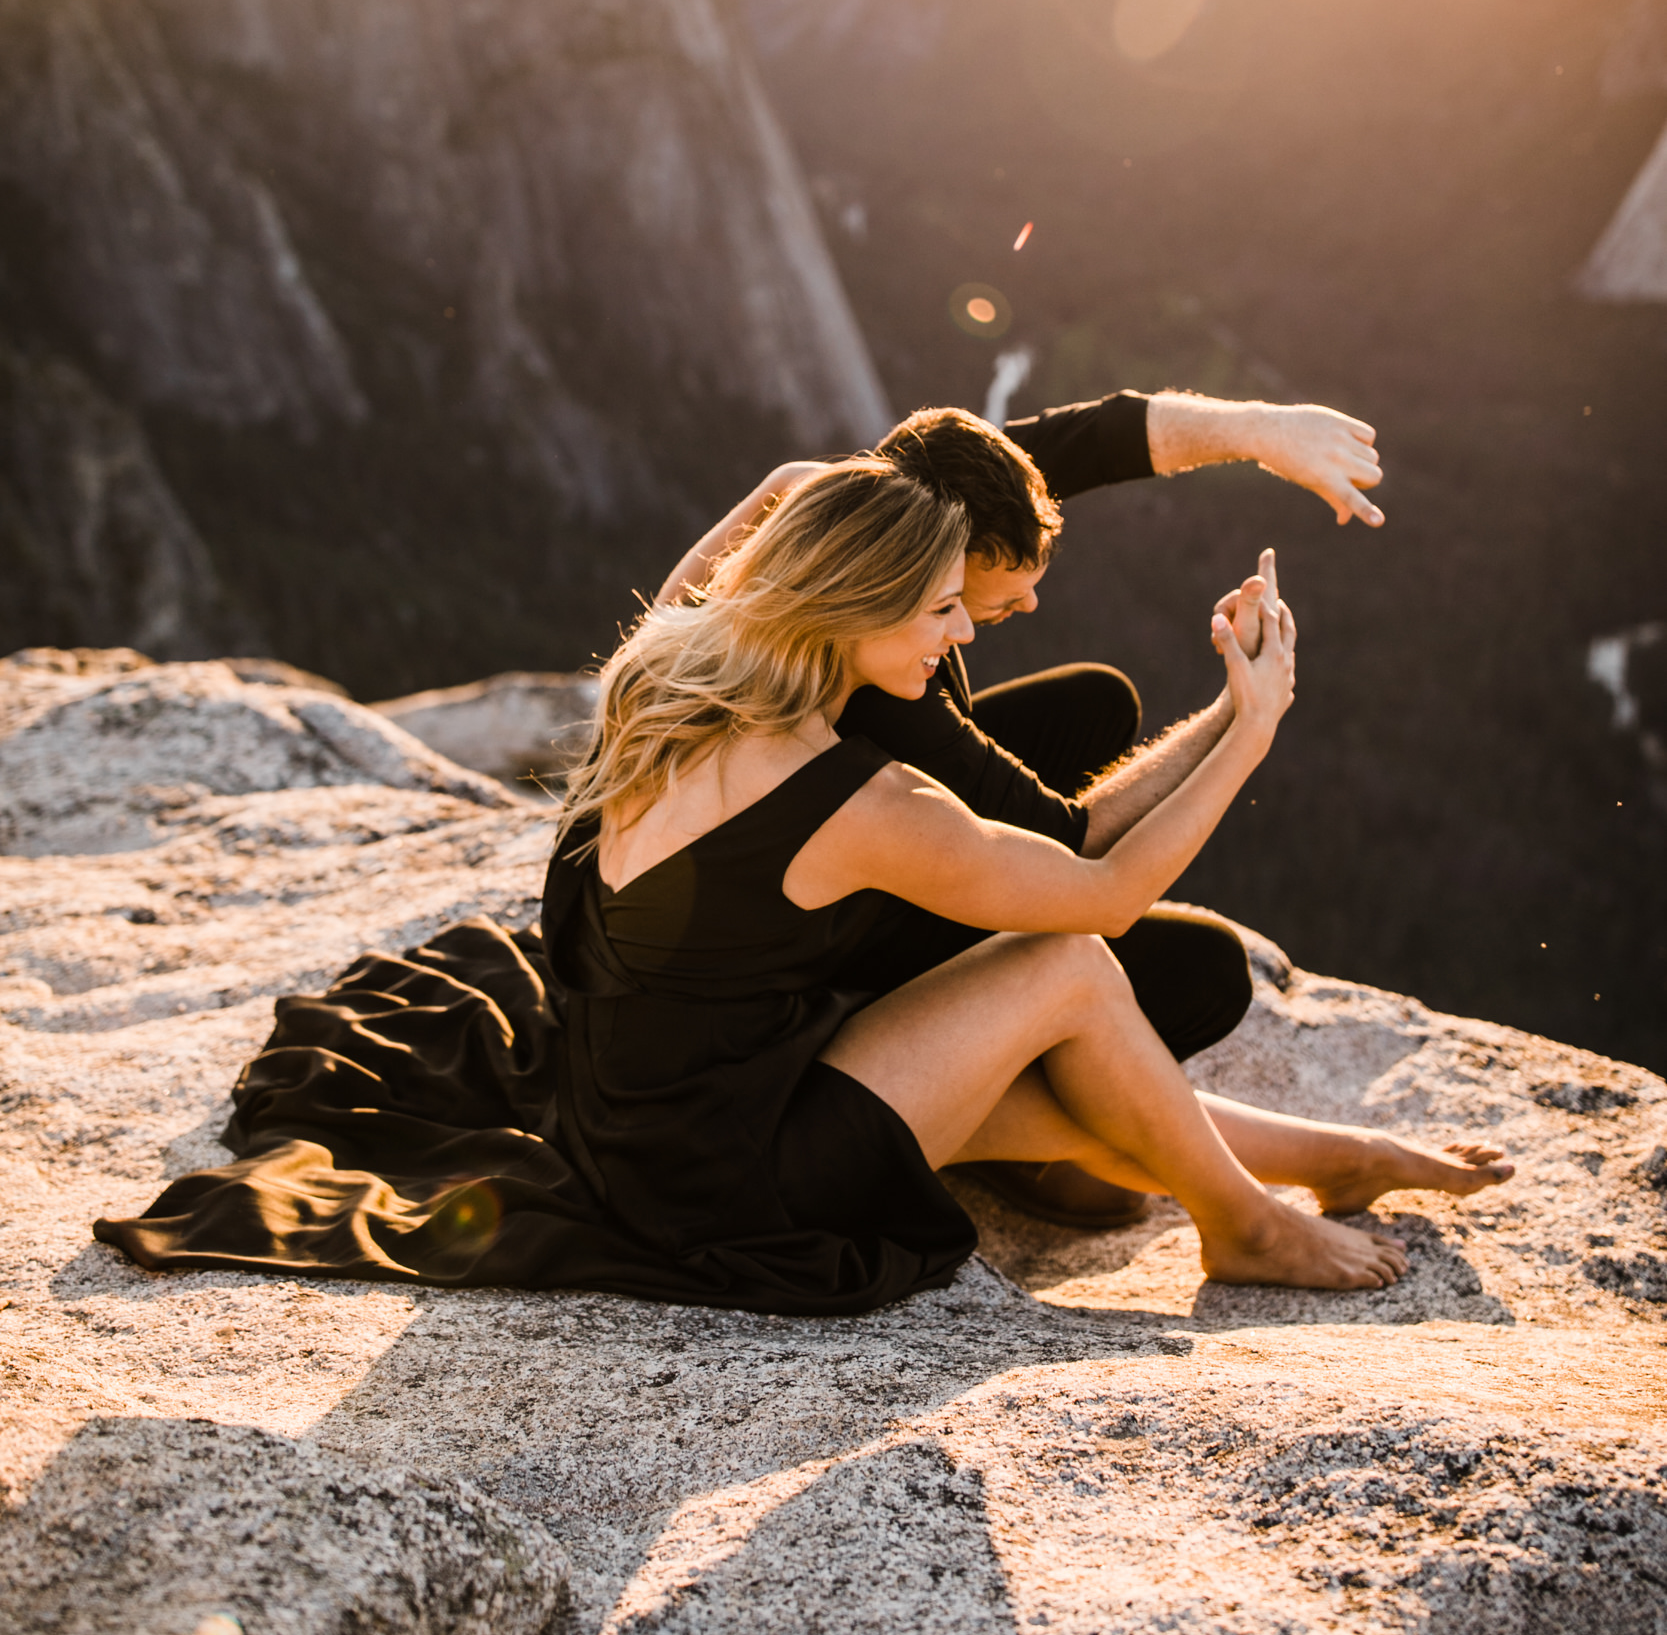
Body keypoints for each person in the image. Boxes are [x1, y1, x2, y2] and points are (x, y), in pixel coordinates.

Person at [97, 461, 1510, 1314]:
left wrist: (820, 494)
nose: (962, 633)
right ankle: (1245, 1223)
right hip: (725, 1187)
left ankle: (1309, 1159)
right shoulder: (859, 803)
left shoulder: (668, 671)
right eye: (938, 609)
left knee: (1040, 1082)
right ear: (845, 615)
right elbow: (1101, 893)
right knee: (1067, 980)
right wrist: (1249, 720)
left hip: (637, 1111)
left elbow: (747, 529)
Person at [655, 389, 1387, 1228]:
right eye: (959, 605)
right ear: (918, 565)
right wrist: (1238, 716)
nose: (1019, 610)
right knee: (1197, 973)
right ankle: (998, 1115)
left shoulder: (874, 499)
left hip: (755, 892)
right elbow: (1077, 862)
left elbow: (1088, 439)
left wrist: (1262, 431)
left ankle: (1033, 1117)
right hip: (811, 961)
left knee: (1094, 706)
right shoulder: (869, 720)